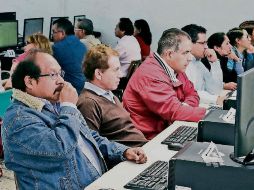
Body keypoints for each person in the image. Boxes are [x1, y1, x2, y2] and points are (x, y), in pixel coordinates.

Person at [1, 49, 147, 189]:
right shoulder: (18, 120)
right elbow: (60, 151)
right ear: (30, 82)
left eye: (60, 73)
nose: (61, 81)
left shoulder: (54, 105)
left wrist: (122, 151)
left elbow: (87, 137)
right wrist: (69, 106)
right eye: (53, 75)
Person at [122, 28, 206, 140]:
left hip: (167, 130)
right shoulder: (151, 74)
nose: (190, 58)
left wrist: (183, 108)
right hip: (148, 139)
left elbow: (192, 94)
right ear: (170, 54)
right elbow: (174, 111)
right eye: (186, 53)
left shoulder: (175, 67)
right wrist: (209, 115)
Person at [77, 44, 148, 147]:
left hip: (141, 150)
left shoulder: (109, 94)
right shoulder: (88, 103)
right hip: (128, 158)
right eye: (116, 70)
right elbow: (92, 146)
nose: (120, 74)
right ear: (98, 74)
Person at [181, 24, 227, 105]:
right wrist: (216, 99)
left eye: (206, 43)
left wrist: (214, 63)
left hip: (203, 104)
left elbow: (215, 90)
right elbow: (190, 92)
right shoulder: (183, 64)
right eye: (202, 43)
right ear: (189, 44)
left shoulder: (198, 63)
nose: (206, 47)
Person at [52, 18, 86, 94]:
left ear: (63, 33)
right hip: (85, 88)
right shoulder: (82, 45)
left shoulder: (57, 48)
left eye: (54, 32)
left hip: (71, 90)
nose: (52, 35)